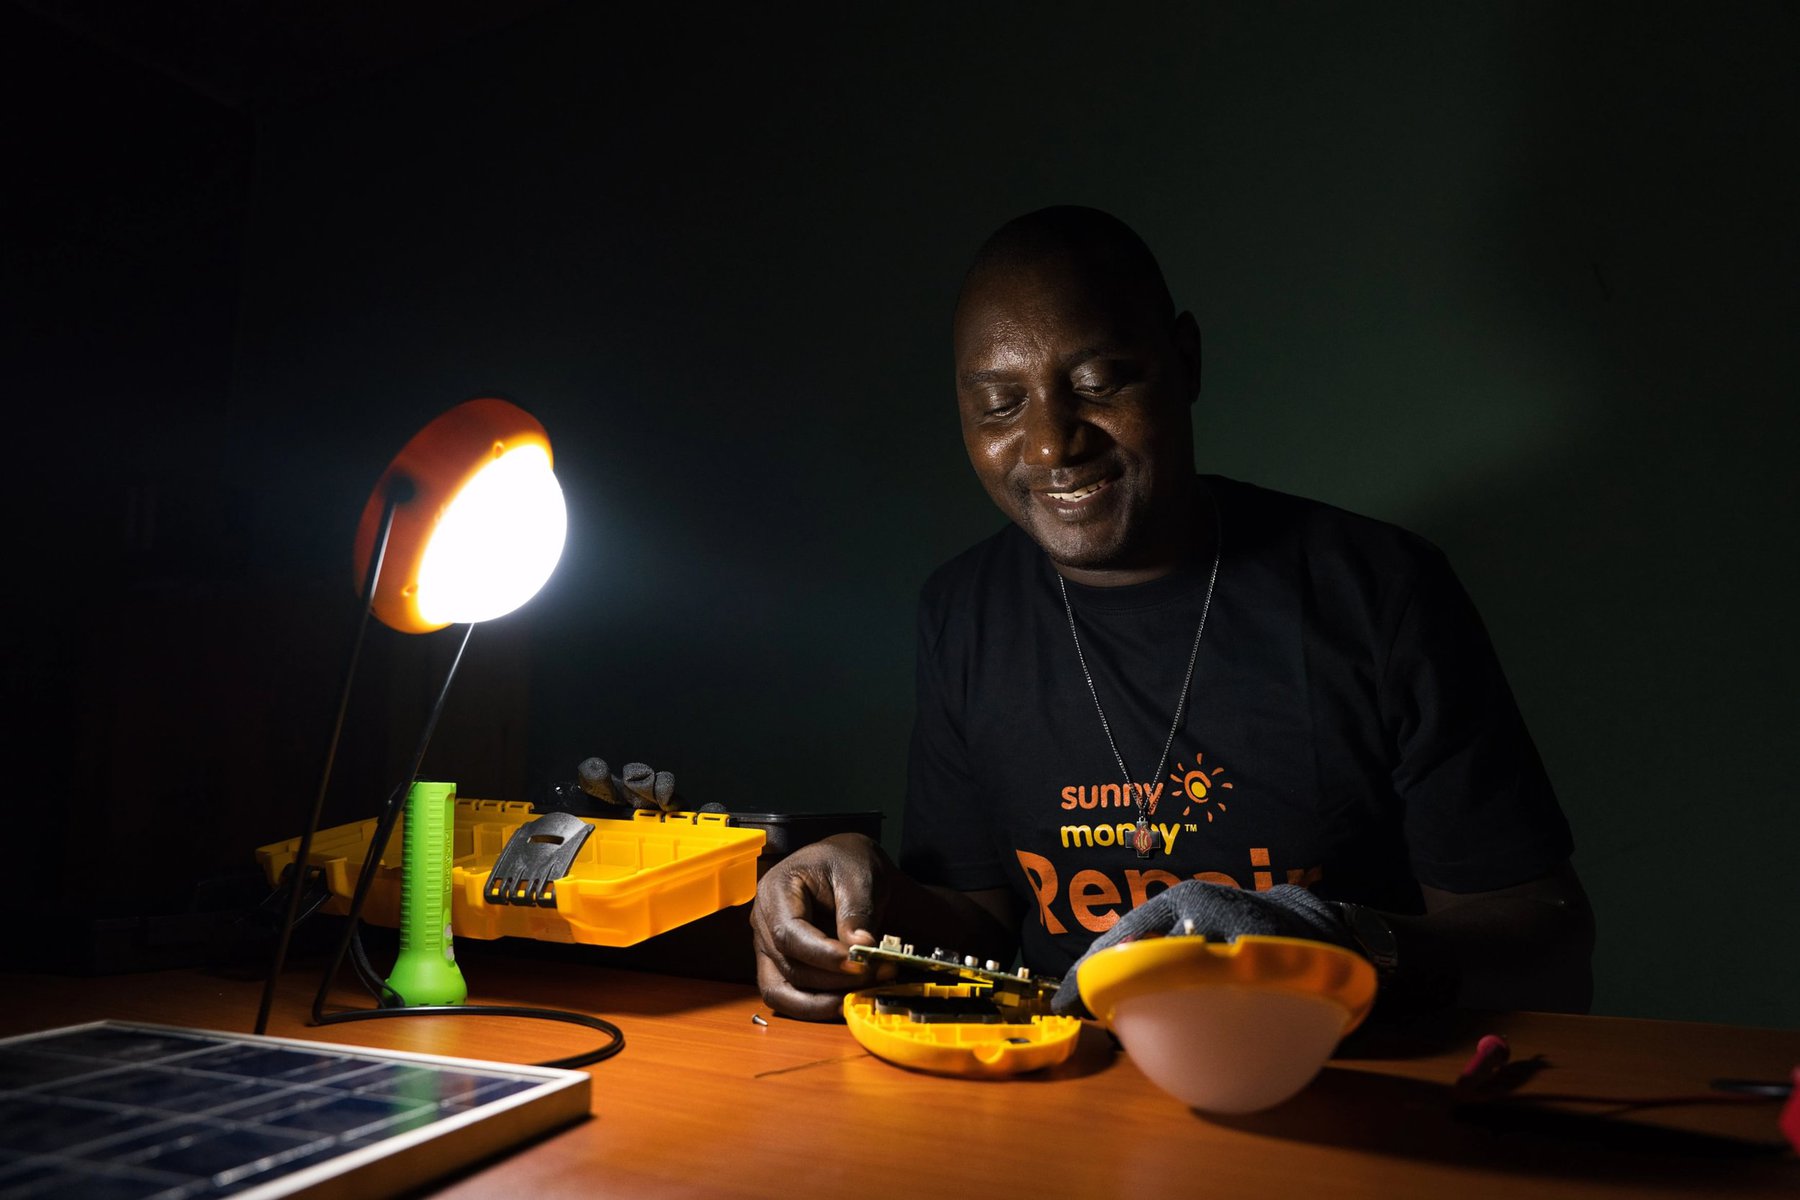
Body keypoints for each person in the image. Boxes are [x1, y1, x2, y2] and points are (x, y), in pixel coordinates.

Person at [751, 206, 1593, 1021]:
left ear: (1184, 361)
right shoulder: (965, 612)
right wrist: (863, 892)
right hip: (1073, 1100)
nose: (1051, 445)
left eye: (1097, 383)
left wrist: (1334, 941)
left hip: (1335, 1088)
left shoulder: (1379, 591)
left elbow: (1547, 945)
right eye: (1002, 405)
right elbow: (981, 924)